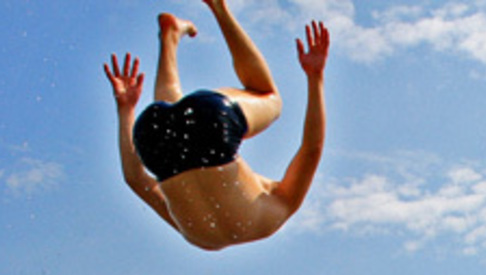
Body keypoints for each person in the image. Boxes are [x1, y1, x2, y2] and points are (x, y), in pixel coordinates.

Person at [104, 3, 329, 250]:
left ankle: (220, 8)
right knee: (173, 123)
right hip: (154, 145)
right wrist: (125, 109)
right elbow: (134, 179)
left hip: (212, 126)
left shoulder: (275, 214)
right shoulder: (197, 235)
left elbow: (312, 149)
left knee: (268, 96)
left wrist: (315, 77)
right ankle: (169, 37)